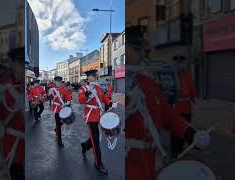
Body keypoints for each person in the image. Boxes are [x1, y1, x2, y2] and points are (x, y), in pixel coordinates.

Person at [125, 25, 210, 180]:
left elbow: (168, 116)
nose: (144, 56)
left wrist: (192, 134)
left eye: (145, 51)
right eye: (137, 50)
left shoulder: (148, 83)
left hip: (151, 164)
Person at [0, 53, 24, 179]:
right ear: (13, 66)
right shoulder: (3, 90)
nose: (23, 69)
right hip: (14, 145)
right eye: (20, 65)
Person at [78, 69, 113, 174]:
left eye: (95, 75)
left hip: (98, 115)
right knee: (96, 141)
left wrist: (110, 103)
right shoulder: (84, 88)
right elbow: (81, 100)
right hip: (90, 116)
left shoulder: (97, 87)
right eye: (94, 76)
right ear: (88, 77)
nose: (96, 77)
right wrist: (87, 94)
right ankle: (98, 163)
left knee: (95, 137)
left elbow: (103, 98)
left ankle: (85, 145)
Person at [170, 55, 197, 158]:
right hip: (175, 110)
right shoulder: (172, 76)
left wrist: (194, 102)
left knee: (184, 130)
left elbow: (191, 89)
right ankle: (174, 151)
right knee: (175, 132)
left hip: (186, 109)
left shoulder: (187, 75)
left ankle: (180, 150)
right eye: (177, 62)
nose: (180, 65)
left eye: (182, 62)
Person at [48, 76, 72, 147]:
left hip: (62, 108)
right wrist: (49, 95)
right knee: (58, 124)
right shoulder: (52, 89)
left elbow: (69, 98)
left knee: (63, 122)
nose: (58, 83)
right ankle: (59, 141)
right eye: (57, 82)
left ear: (61, 82)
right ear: (55, 82)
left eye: (59, 82)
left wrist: (68, 102)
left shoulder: (64, 90)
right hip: (56, 109)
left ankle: (56, 129)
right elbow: (47, 98)